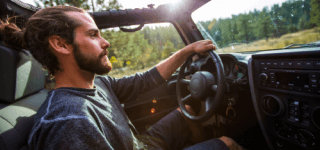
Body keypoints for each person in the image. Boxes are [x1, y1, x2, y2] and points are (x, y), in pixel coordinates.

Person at [0, 5, 245, 150]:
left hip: (138, 144)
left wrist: (187, 51)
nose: (105, 42)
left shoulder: (97, 85)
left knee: (187, 109)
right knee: (227, 143)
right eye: (93, 34)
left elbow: (145, 81)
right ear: (61, 44)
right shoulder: (70, 121)